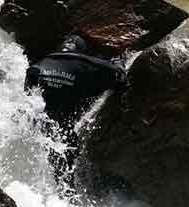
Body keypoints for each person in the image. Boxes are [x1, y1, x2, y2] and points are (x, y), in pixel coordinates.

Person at [25, 35, 127, 190]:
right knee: (67, 155)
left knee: (52, 150)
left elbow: (28, 87)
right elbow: (119, 76)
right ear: (81, 52)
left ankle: (50, 194)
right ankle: (69, 196)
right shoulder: (85, 63)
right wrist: (118, 62)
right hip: (65, 127)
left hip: (45, 125)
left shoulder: (41, 63)